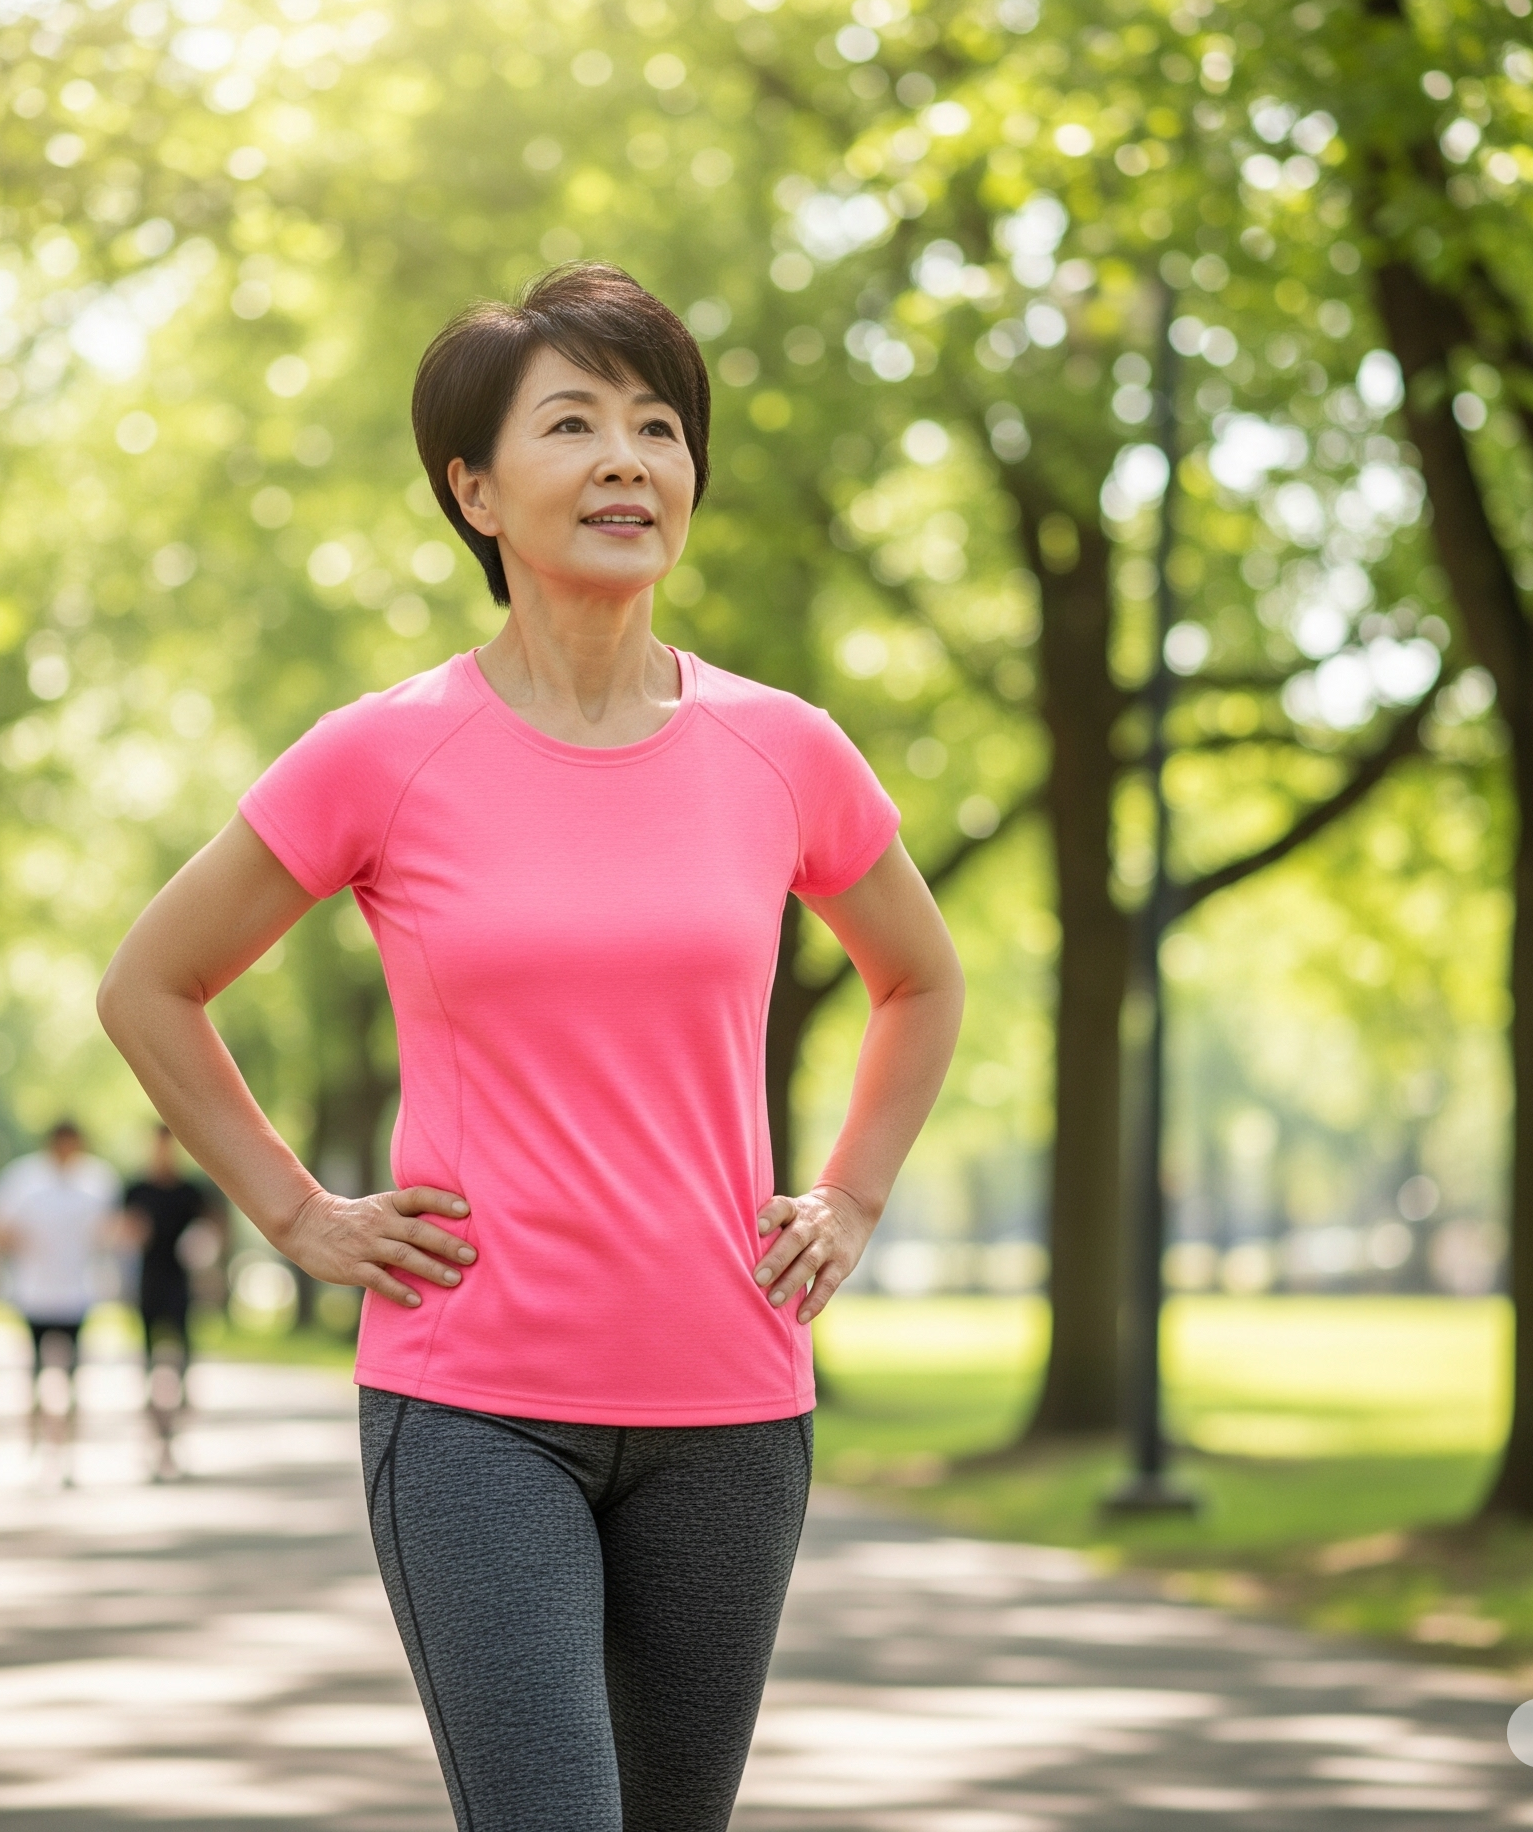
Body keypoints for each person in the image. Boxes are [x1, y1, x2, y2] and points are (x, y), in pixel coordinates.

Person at [97, 263, 964, 1830]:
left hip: (733, 1405)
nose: (630, 459)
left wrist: (852, 1196)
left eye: (660, 426)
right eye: (574, 424)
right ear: (475, 489)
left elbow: (920, 980)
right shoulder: (384, 751)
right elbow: (152, 983)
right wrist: (297, 1212)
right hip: (475, 1407)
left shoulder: (784, 749)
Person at [0, 1120, 119, 1481]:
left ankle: (68, 1452)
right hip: (34, 1293)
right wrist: (13, 1244)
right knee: (38, 1377)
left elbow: (113, 1228)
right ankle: (39, 1446)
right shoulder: (24, 1178)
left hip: (77, 1293)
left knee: (72, 1377)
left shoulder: (97, 1180)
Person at [121, 1121, 220, 1478]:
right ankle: (152, 1442)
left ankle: (176, 1439)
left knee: (180, 1364)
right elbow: (123, 1233)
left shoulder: (190, 1192)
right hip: (149, 1285)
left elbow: (213, 1229)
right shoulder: (136, 1190)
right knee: (149, 1365)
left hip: (180, 1286)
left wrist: (205, 1252)